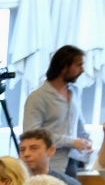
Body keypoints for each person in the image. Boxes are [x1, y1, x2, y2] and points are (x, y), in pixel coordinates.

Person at [22, 45, 93, 176]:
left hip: (72, 162)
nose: (82, 70)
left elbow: (78, 125)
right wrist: (72, 142)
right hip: (48, 166)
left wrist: (87, 141)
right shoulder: (37, 97)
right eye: (78, 65)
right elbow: (31, 135)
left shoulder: (74, 92)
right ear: (64, 66)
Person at [16, 127, 86, 185]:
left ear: (51, 151)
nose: (26, 154)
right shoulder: (13, 182)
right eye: (22, 150)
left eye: (34, 148)